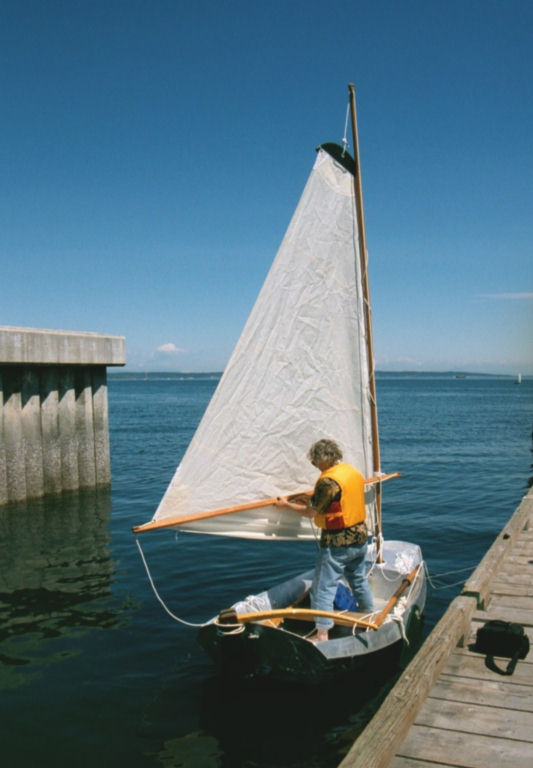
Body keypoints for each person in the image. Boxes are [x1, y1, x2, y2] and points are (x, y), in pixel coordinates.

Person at [276, 438, 374, 643]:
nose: (314, 466)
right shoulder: (351, 472)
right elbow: (338, 499)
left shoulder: (328, 482)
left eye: (315, 462)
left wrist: (286, 506)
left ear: (323, 460)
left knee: (323, 586)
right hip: (360, 538)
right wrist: (308, 497)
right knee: (358, 580)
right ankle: (369, 618)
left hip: (338, 543)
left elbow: (311, 512)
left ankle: (322, 634)